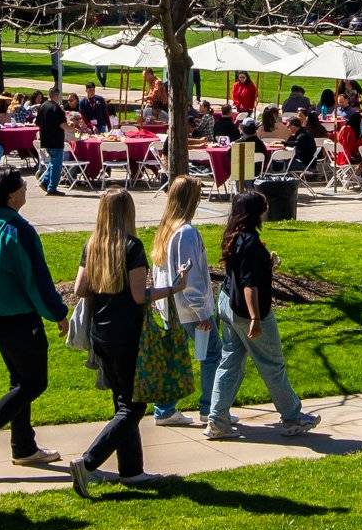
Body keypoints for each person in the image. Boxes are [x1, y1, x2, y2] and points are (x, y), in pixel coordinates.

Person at [0, 170, 68, 472]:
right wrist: (58, 313)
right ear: (11, 195)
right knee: (34, 382)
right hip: (18, 316)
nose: (26, 189)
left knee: (20, 381)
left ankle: (24, 447)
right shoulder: (18, 230)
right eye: (22, 186)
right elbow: (37, 278)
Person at [67, 189, 170, 495]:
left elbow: (79, 288)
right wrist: (173, 288)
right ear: (128, 212)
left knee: (122, 403)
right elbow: (140, 296)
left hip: (101, 334)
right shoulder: (132, 246)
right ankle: (88, 462)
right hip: (127, 334)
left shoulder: (93, 245)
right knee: (134, 407)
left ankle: (131, 471)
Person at [204, 190, 319, 440]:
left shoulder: (233, 235)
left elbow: (242, 272)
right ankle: (293, 418)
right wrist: (255, 319)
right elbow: (249, 285)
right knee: (272, 364)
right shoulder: (252, 243)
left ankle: (217, 420)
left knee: (230, 362)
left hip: (226, 303)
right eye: (264, 207)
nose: (267, 210)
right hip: (247, 312)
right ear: (256, 213)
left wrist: (266, 266)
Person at [147, 174, 217, 425]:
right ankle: (210, 409)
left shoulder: (166, 229)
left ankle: (164, 410)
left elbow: (159, 272)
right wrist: (202, 312)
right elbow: (191, 276)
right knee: (211, 355)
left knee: (173, 357)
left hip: (170, 306)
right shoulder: (186, 232)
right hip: (188, 308)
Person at [35, 92, 70, 196]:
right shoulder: (57, 108)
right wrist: (74, 129)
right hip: (56, 140)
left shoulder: (43, 106)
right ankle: (52, 188)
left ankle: (45, 182)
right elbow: (63, 125)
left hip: (45, 139)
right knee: (56, 165)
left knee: (52, 163)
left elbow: (37, 123)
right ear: (57, 96)